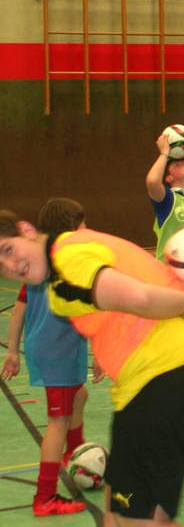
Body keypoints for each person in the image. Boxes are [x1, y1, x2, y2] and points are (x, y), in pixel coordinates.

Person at [0, 209, 184, 527]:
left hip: (169, 372)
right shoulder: (73, 251)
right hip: (171, 373)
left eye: (7, 250)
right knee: (118, 514)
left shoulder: (67, 262)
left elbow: (141, 298)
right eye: (0, 267)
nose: (11, 267)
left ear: (25, 230)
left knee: (133, 520)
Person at [2, 198, 95, 516]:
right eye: (81, 225)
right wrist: (103, 349)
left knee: (78, 396)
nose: (86, 229)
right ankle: (44, 497)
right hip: (58, 353)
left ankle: (73, 452)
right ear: (70, 229)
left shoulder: (40, 260)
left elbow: (19, 309)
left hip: (49, 350)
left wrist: (14, 351)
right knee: (58, 420)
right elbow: (91, 310)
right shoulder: (63, 264)